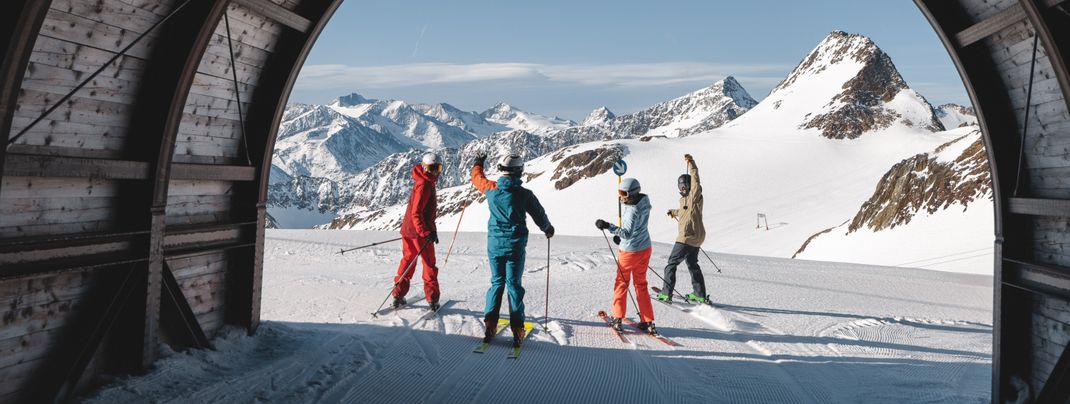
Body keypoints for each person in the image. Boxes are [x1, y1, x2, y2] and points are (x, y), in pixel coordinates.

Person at [470, 153, 554, 348]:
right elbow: (539, 215)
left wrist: (478, 163)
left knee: (496, 283)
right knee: (514, 284)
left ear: (501, 169)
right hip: (515, 246)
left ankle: (490, 325)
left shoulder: (491, 190)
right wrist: (548, 229)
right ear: (519, 171)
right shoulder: (525, 195)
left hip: (494, 245)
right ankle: (517, 330)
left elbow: (477, 179)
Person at [595, 178, 657, 334]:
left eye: (623, 193)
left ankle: (617, 319)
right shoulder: (644, 203)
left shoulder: (632, 210)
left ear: (632, 193)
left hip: (630, 252)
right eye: (619, 192)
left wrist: (608, 226)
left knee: (621, 283)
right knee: (641, 284)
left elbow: (627, 233)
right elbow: (636, 229)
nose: (621, 196)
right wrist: (621, 238)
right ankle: (647, 320)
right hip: (645, 248)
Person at [392, 152, 443, 311]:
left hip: (409, 230)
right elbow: (417, 213)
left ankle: (398, 295)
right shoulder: (425, 184)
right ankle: (433, 299)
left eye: (438, 168)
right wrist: (426, 232)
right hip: (419, 233)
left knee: (408, 261)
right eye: (432, 168)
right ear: (424, 168)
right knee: (429, 265)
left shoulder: (424, 181)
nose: (435, 172)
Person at [658, 154, 710, 305]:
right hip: (697, 237)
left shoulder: (694, 195)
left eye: (684, 185)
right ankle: (699, 294)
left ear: (689, 185)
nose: (682, 188)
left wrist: (691, 163)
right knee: (692, 264)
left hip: (687, 237)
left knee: (671, 263)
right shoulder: (685, 200)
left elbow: (696, 180)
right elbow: (684, 211)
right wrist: (674, 212)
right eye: (680, 186)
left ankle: (666, 293)